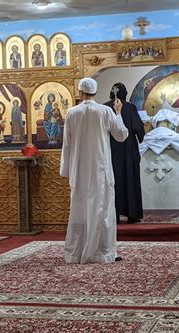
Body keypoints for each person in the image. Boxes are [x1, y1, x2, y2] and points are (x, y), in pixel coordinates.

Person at [60, 77, 128, 264]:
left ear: (81, 93)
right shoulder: (105, 111)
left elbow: (66, 145)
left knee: (80, 208)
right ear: (95, 92)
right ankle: (103, 252)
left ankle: (76, 252)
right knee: (102, 208)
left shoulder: (72, 113)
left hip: (80, 169)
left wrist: (67, 170)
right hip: (100, 169)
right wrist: (118, 113)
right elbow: (121, 135)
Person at [104, 83, 145, 224]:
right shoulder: (130, 107)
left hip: (110, 151)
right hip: (128, 150)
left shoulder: (104, 108)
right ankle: (132, 214)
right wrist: (141, 137)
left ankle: (112, 215)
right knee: (130, 179)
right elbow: (138, 127)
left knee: (112, 181)